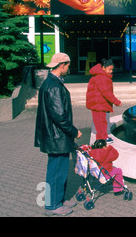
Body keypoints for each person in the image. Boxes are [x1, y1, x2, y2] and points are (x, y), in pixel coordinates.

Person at [34, 52, 82, 216]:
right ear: (62, 65)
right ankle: (52, 205)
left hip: (54, 137)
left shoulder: (50, 83)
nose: (69, 68)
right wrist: (74, 131)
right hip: (57, 137)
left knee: (57, 171)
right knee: (56, 172)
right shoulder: (54, 86)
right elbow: (59, 116)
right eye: (68, 65)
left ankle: (58, 200)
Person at [86, 58, 122, 144]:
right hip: (99, 104)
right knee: (101, 121)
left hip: (97, 103)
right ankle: (102, 138)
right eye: (109, 69)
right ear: (103, 68)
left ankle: (102, 137)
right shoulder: (102, 77)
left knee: (100, 121)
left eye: (112, 69)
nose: (111, 71)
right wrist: (116, 102)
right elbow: (106, 92)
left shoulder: (100, 76)